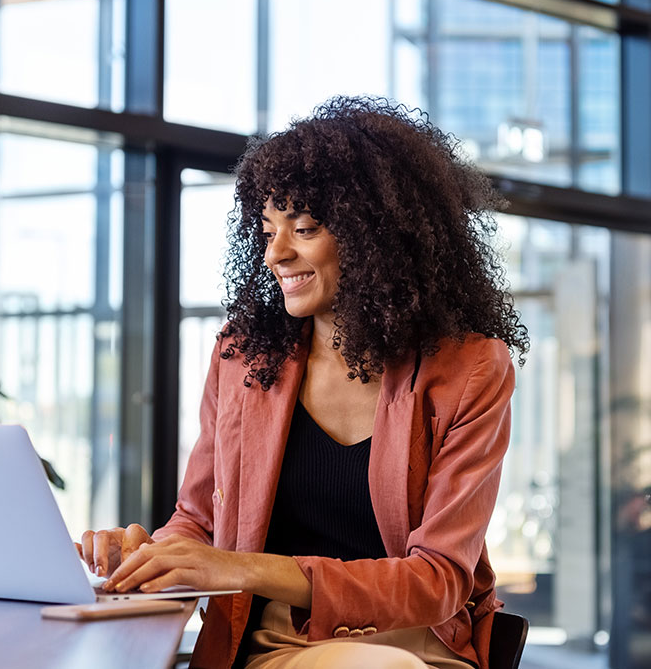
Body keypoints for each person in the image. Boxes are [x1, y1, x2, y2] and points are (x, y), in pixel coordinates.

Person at [76, 96, 528, 669]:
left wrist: (241, 567)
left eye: (305, 228)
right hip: (266, 642)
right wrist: (142, 554)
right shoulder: (244, 357)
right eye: (267, 230)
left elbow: (437, 580)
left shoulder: (469, 368)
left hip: (405, 643)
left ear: (377, 238)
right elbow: (198, 521)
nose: (276, 253)